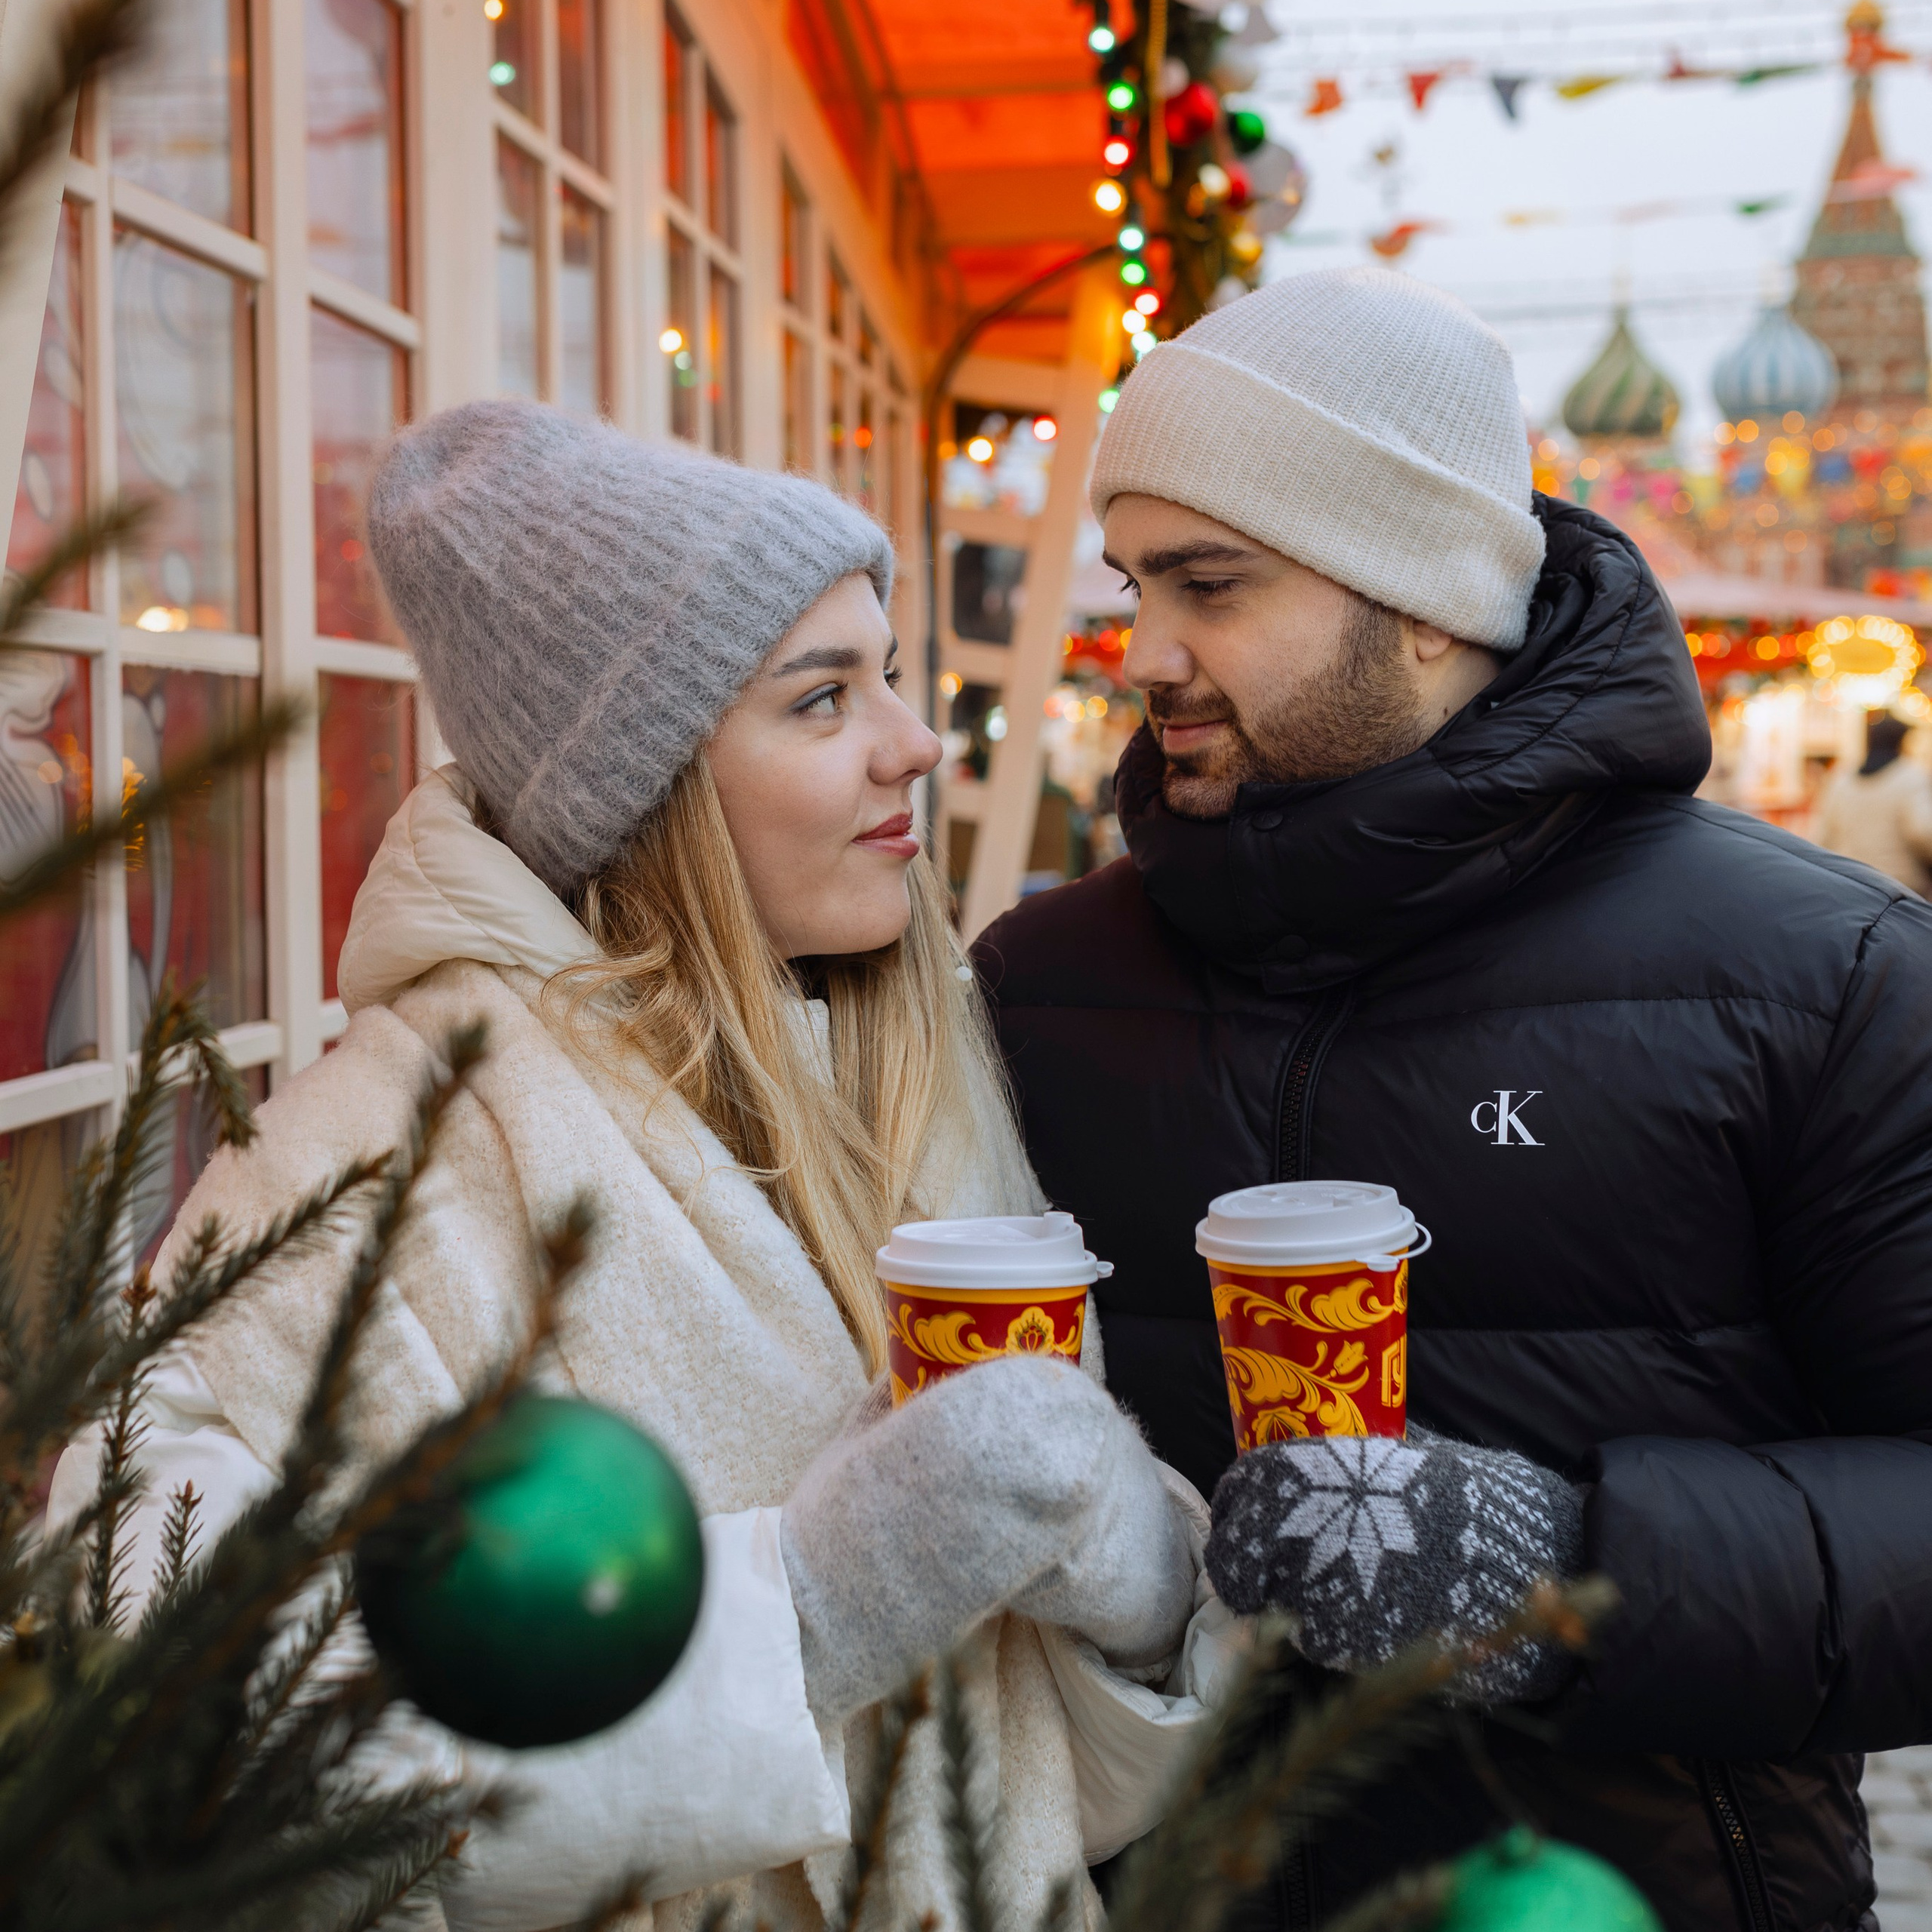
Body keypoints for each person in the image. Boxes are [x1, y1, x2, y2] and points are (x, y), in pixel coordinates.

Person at [49, 401, 1213, 1930]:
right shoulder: (369, 1167)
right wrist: (795, 1613)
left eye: (888, 671)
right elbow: (186, 1760)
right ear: (648, 781)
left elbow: (1046, 1773)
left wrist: (1141, 1599)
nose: (912, 738)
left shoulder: (916, 1067)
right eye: (819, 698)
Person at [975, 266, 1932, 1932]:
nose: (1143, 654)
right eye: (1134, 583)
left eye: (1209, 583)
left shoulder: (1820, 975)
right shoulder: (1039, 981)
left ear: (1422, 597)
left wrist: (1564, 1574)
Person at [1815, 709, 1932, 891]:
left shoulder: (1842, 779)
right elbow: (1922, 832)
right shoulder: (1910, 776)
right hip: (1899, 888)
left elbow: (1822, 834)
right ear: (1901, 742)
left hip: (1851, 882)